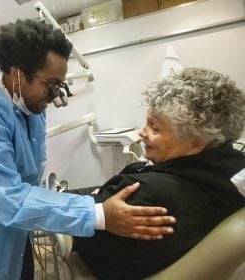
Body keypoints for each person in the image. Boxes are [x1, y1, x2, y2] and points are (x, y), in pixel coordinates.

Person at [0, 19, 176, 280]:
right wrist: (98, 213)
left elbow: (26, 180)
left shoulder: (28, 102)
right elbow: (8, 200)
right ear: (17, 73)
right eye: (51, 85)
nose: (56, 95)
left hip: (14, 226)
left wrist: (79, 202)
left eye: (60, 84)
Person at [72, 67, 245, 280]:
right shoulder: (237, 174)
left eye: (154, 128)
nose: (141, 133)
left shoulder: (141, 196)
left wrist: (95, 203)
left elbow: (81, 235)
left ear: (195, 144)